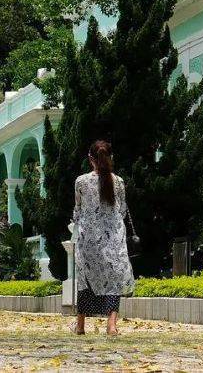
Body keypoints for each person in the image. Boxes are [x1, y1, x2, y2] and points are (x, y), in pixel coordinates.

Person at [73, 140, 135, 337]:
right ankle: (112, 325)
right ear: (111, 159)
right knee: (113, 281)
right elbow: (123, 210)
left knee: (85, 281)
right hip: (113, 240)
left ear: (90, 159)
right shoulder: (119, 182)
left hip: (88, 241)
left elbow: (77, 211)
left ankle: (81, 325)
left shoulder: (81, 181)